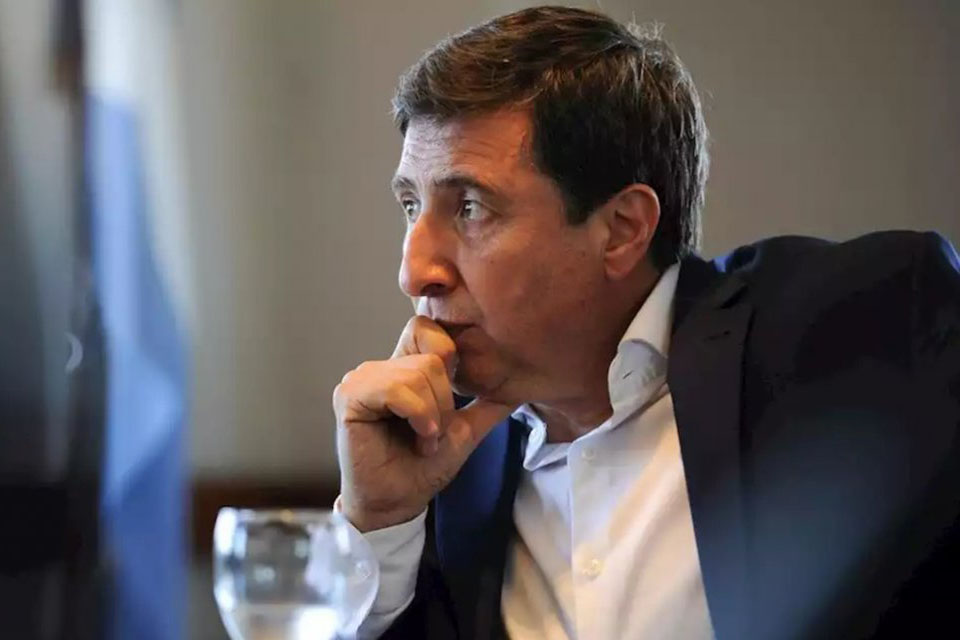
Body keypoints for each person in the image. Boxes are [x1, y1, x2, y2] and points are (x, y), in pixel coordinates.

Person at [332, 6, 960, 639]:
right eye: (410, 205)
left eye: (470, 207)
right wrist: (380, 519)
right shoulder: (433, 461)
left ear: (622, 229)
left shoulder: (862, 328)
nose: (414, 272)